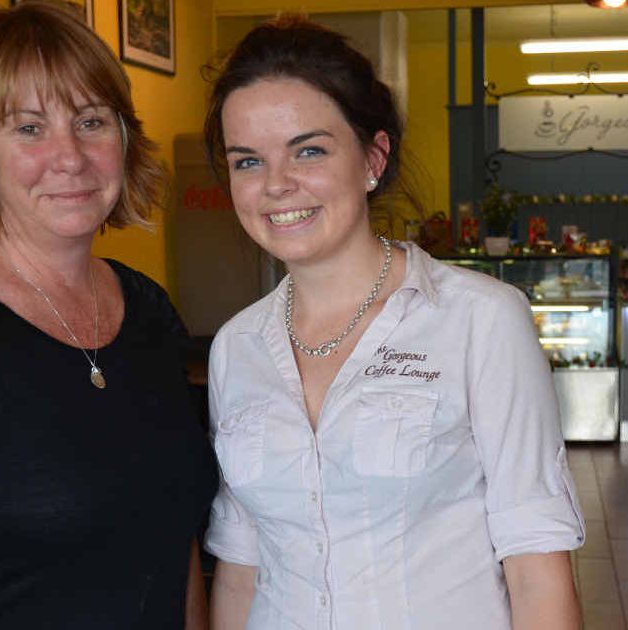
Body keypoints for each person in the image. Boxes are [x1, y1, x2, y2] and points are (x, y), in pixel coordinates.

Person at [202, 17, 585, 630]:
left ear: (372, 158)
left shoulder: (479, 321)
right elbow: (242, 570)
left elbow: (537, 569)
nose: (276, 184)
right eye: (248, 161)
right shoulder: (236, 348)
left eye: (309, 150)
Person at [0, 4, 215, 628]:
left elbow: (174, 543)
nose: (70, 157)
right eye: (29, 129)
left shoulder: (149, 310)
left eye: (91, 121)